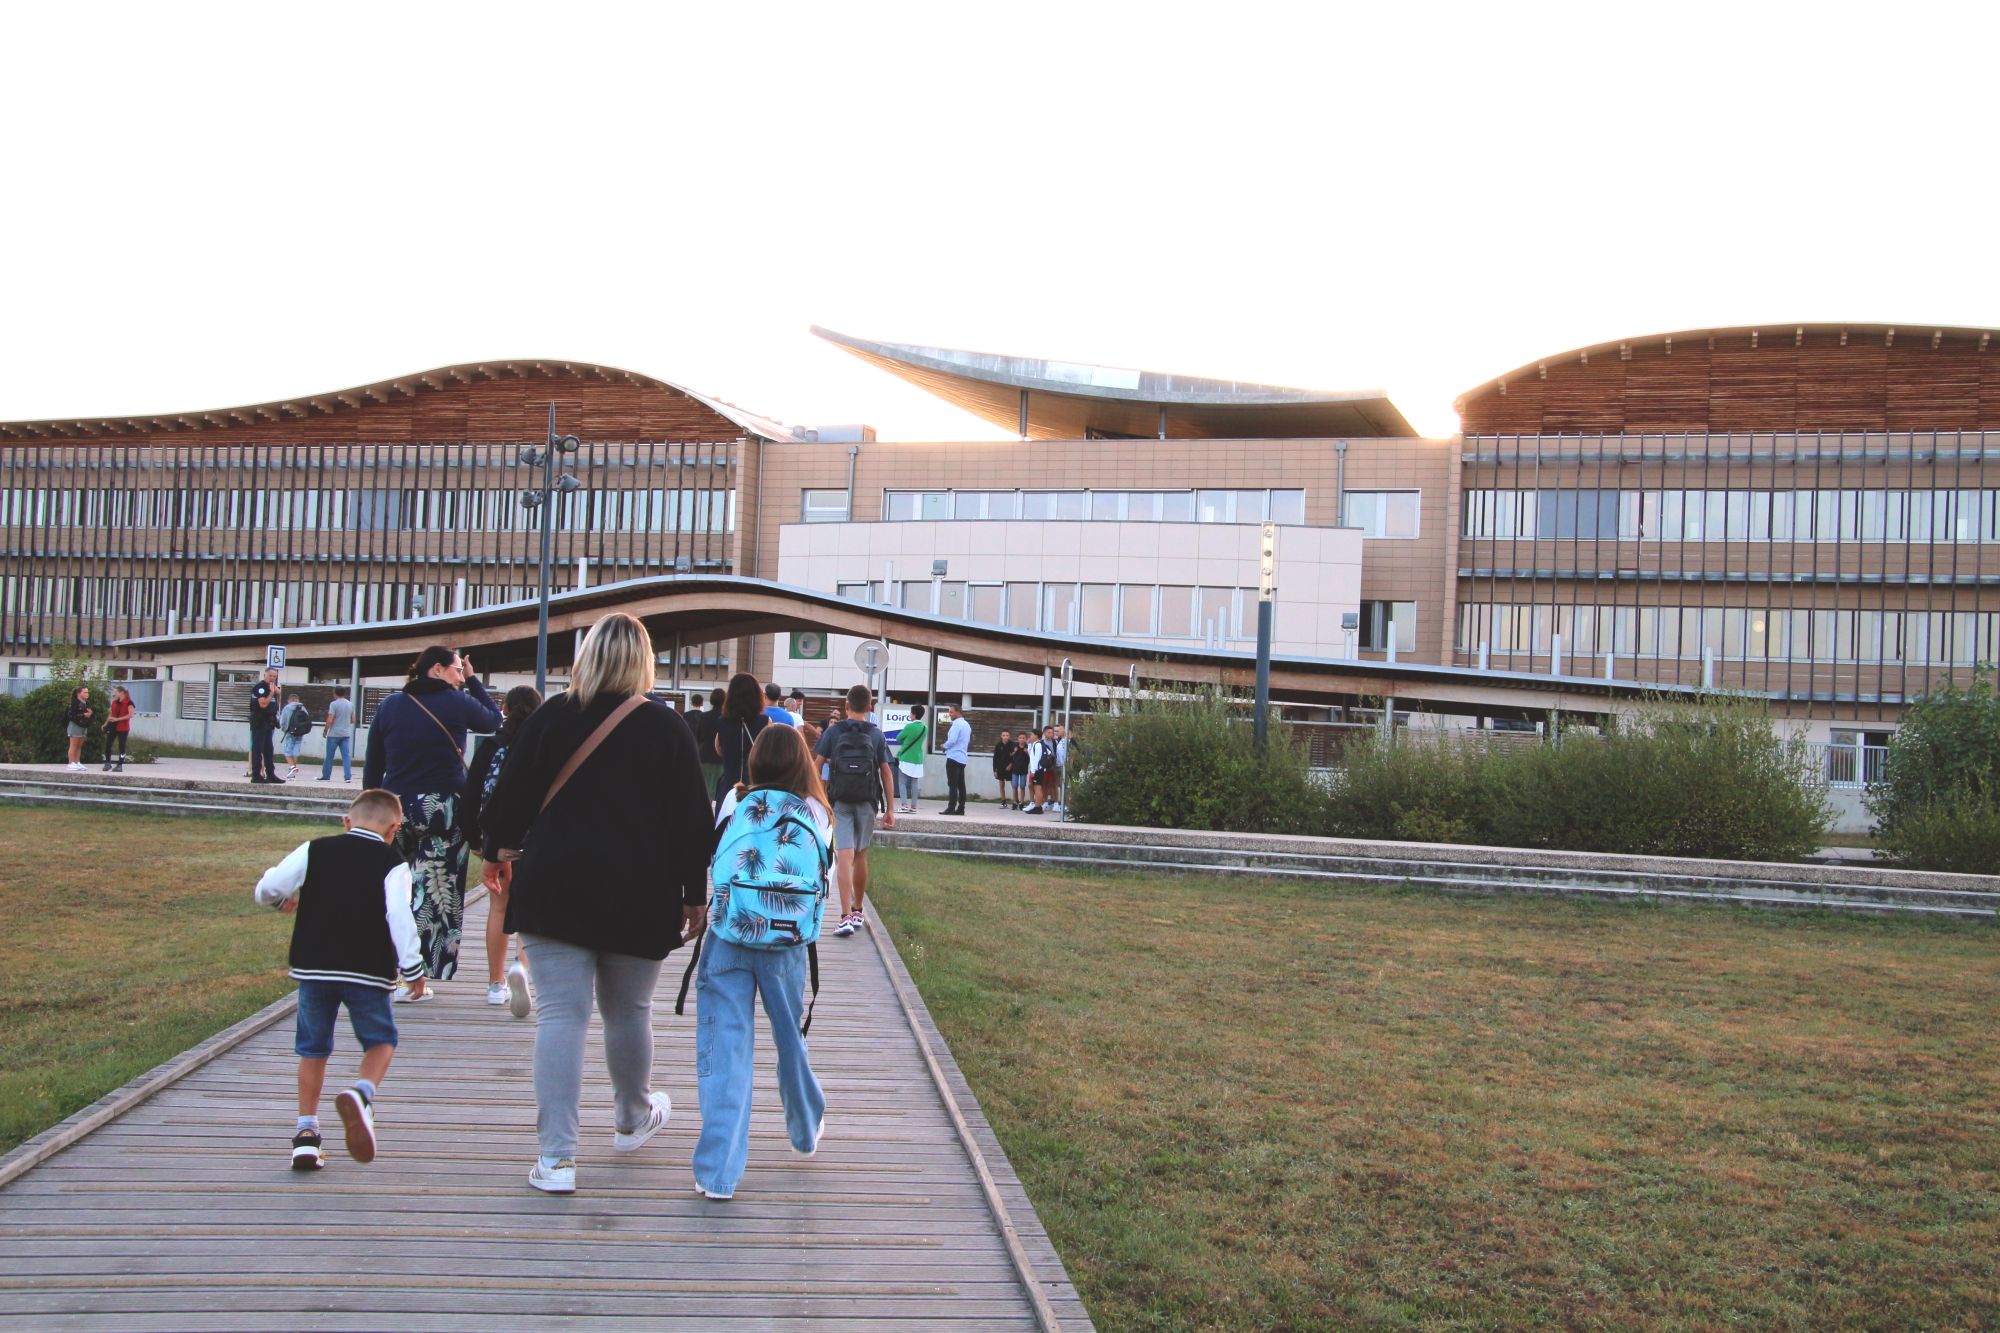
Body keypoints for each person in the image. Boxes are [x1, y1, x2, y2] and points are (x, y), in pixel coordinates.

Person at [477, 612, 712, 1196]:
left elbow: (508, 799)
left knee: (562, 1015)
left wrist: (495, 850)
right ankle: (632, 1119)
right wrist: (693, 895)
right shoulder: (667, 727)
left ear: (585, 658)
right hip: (642, 891)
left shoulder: (551, 717)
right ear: (644, 661)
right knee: (629, 1011)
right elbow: (691, 822)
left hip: (555, 883)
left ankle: (556, 1159)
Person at [254, 787, 427, 1171]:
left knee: (313, 1049)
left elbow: (269, 887)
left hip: (314, 966)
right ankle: (361, 1093)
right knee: (381, 1041)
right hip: (367, 969)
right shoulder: (392, 862)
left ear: (346, 821)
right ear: (394, 828)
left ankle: (305, 1135)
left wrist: (281, 902)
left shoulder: (316, 848)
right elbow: (399, 917)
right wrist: (413, 969)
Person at [692, 725, 831, 1200]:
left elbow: (714, 856)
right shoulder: (816, 811)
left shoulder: (735, 801)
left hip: (729, 934)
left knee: (726, 1052)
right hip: (787, 945)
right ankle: (805, 1129)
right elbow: (823, 876)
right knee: (790, 1042)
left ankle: (717, 1174)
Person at [362, 645, 501, 983]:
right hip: (442, 808)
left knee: (393, 890)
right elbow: (494, 720)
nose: (459, 676)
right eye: (456, 669)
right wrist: (473, 681)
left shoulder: (391, 705)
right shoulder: (457, 701)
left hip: (395, 807)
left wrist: (371, 804)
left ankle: (387, 966)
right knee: (437, 892)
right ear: (437, 669)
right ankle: (422, 973)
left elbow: (373, 760)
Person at [463, 684, 543, 1017]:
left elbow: (471, 794)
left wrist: (477, 841)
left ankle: (496, 985)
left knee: (499, 906)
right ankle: (521, 967)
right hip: (536, 839)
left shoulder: (491, 746)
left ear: (505, 709)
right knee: (528, 910)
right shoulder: (542, 745)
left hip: (498, 839)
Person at [814, 684, 895, 937]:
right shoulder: (876, 735)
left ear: (846, 706)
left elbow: (815, 767)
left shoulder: (832, 732)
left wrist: (817, 801)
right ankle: (858, 910)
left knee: (844, 855)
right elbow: (886, 771)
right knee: (861, 855)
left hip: (840, 800)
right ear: (870, 708)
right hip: (867, 801)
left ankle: (844, 915)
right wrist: (890, 809)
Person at [714, 672, 769, 805]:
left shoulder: (722, 722)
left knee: (726, 823)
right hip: (756, 786)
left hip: (728, 785)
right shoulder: (766, 722)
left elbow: (718, 750)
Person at [249, 665, 282, 784]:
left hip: (269, 722)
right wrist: (271, 693)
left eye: (274, 676)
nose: (272, 678)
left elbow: (279, 694)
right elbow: (263, 704)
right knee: (258, 749)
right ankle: (256, 775)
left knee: (269, 749)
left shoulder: (271, 687)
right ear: (265, 675)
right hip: (259, 721)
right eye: (270, 676)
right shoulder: (261, 687)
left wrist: (275, 691)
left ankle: (271, 774)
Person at [892, 703, 927, 814]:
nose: (910, 715)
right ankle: (914, 807)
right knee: (914, 783)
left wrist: (906, 740)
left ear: (914, 714)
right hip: (918, 758)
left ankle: (904, 805)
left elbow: (898, 738)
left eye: (911, 713)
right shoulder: (924, 728)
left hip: (906, 757)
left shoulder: (909, 726)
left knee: (902, 782)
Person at [692, 687, 725, 796]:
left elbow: (698, 736)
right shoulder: (727, 718)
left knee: (706, 789)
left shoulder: (703, 717)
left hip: (705, 755)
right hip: (722, 756)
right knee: (720, 789)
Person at [319, 685, 355, 782]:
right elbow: (353, 720)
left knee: (329, 756)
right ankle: (347, 777)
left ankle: (326, 776)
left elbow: (330, 720)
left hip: (334, 734)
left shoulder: (333, 704)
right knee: (346, 756)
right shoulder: (350, 704)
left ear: (335, 693)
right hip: (345, 734)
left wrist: (325, 731)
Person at [941, 702, 972, 815]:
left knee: (952, 784)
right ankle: (961, 808)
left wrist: (944, 746)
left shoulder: (956, 724)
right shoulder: (966, 724)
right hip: (962, 757)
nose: (949, 714)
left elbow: (952, 740)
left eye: (951, 712)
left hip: (953, 757)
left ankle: (951, 807)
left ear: (958, 712)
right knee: (961, 784)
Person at [277, 693, 312, 781]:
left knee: (287, 751)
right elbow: (307, 719)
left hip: (290, 732)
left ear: (289, 700)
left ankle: (292, 767)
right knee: (296, 750)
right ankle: (292, 773)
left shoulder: (287, 708)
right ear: (297, 700)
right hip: (300, 733)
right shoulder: (302, 708)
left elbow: (283, 721)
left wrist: (284, 729)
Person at [102, 686, 134, 772]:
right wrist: (105, 724)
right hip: (113, 726)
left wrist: (118, 719)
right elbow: (111, 714)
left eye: (116, 692)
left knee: (121, 746)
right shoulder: (114, 702)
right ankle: (108, 762)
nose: (115, 693)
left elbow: (130, 715)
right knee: (108, 744)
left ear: (121, 692)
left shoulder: (129, 702)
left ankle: (120, 764)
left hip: (123, 727)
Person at [63, 685, 93, 772]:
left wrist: (90, 714)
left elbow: (90, 712)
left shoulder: (87, 703)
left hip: (84, 725)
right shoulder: (74, 703)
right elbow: (71, 715)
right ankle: (71, 763)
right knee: (74, 745)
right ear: (78, 694)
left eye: (87, 692)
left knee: (79, 745)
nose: (87, 694)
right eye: (85, 692)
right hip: (75, 725)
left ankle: (77, 762)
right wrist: (83, 715)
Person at [1026, 727, 1056, 814]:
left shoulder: (1038, 745)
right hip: (1038, 770)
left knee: (1038, 789)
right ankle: (1037, 806)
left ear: (1036, 736)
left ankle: (1038, 807)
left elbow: (1036, 759)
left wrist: (1033, 771)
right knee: (1037, 788)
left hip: (1038, 771)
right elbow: (1032, 755)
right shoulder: (1037, 744)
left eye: (1031, 735)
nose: (1030, 736)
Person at [992, 730, 1015, 809]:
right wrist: (995, 770)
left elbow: (1014, 757)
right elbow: (995, 758)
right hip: (1000, 768)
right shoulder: (998, 745)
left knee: (1014, 785)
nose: (1005, 737)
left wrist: (1010, 764)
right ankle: (1003, 802)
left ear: (1009, 736)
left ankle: (1015, 802)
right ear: (1001, 736)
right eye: (1004, 735)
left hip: (1010, 769)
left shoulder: (1012, 745)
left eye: (1007, 735)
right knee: (1001, 785)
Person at [1009, 729, 1030, 808]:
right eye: (1020, 738)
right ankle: (1015, 801)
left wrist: (1027, 752)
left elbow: (1031, 757)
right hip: (1015, 769)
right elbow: (1010, 755)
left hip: (1023, 770)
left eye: (1023, 738)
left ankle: (1021, 802)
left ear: (1026, 739)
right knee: (1014, 786)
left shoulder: (1027, 747)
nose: (1022, 739)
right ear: (1018, 739)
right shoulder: (1015, 746)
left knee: (1022, 786)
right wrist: (1014, 752)